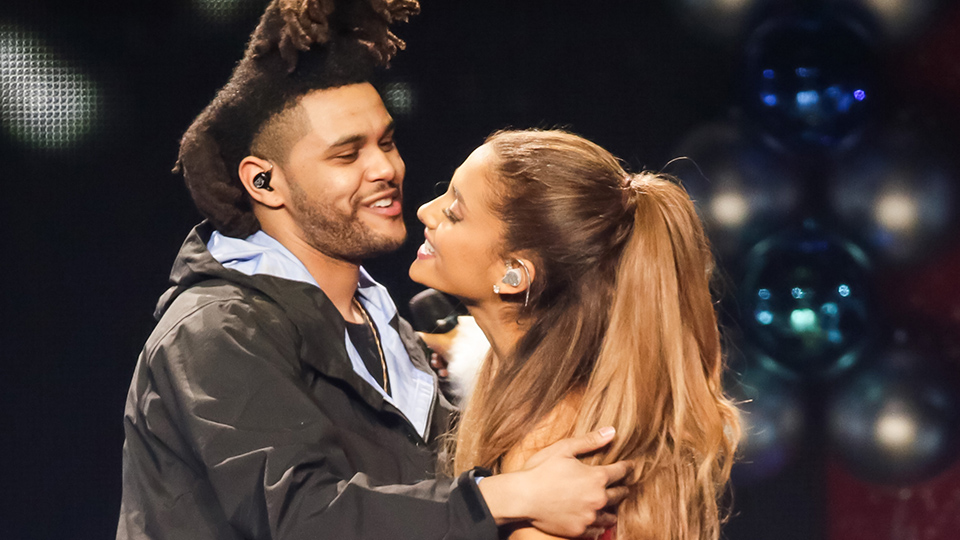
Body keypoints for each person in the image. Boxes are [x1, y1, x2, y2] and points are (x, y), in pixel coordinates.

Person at [117, 2, 631, 539]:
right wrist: (511, 494)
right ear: (264, 182)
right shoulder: (217, 329)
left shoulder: (388, 332)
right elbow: (302, 519)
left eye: (385, 142)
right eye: (347, 155)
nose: (385, 168)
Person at [410, 129, 742, 540]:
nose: (427, 211)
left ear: (514, 273)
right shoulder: (536, 393)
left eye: (454, 212)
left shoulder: (549, 447)